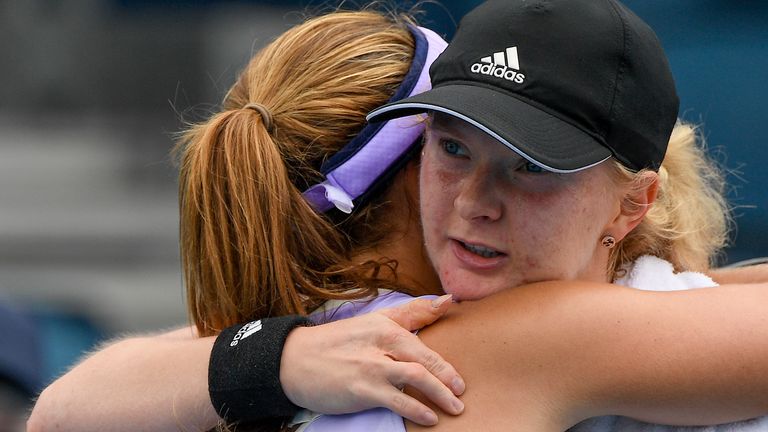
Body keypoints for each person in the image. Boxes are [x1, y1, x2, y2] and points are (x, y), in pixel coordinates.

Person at [28, 4, 768, 432]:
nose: (476, 199)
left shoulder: (328, 338)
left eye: (532, 163)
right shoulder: (519, 335)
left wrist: (275, 360)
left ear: (632, 203)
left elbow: (63, 407)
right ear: (406, 172)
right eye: (451, 146)